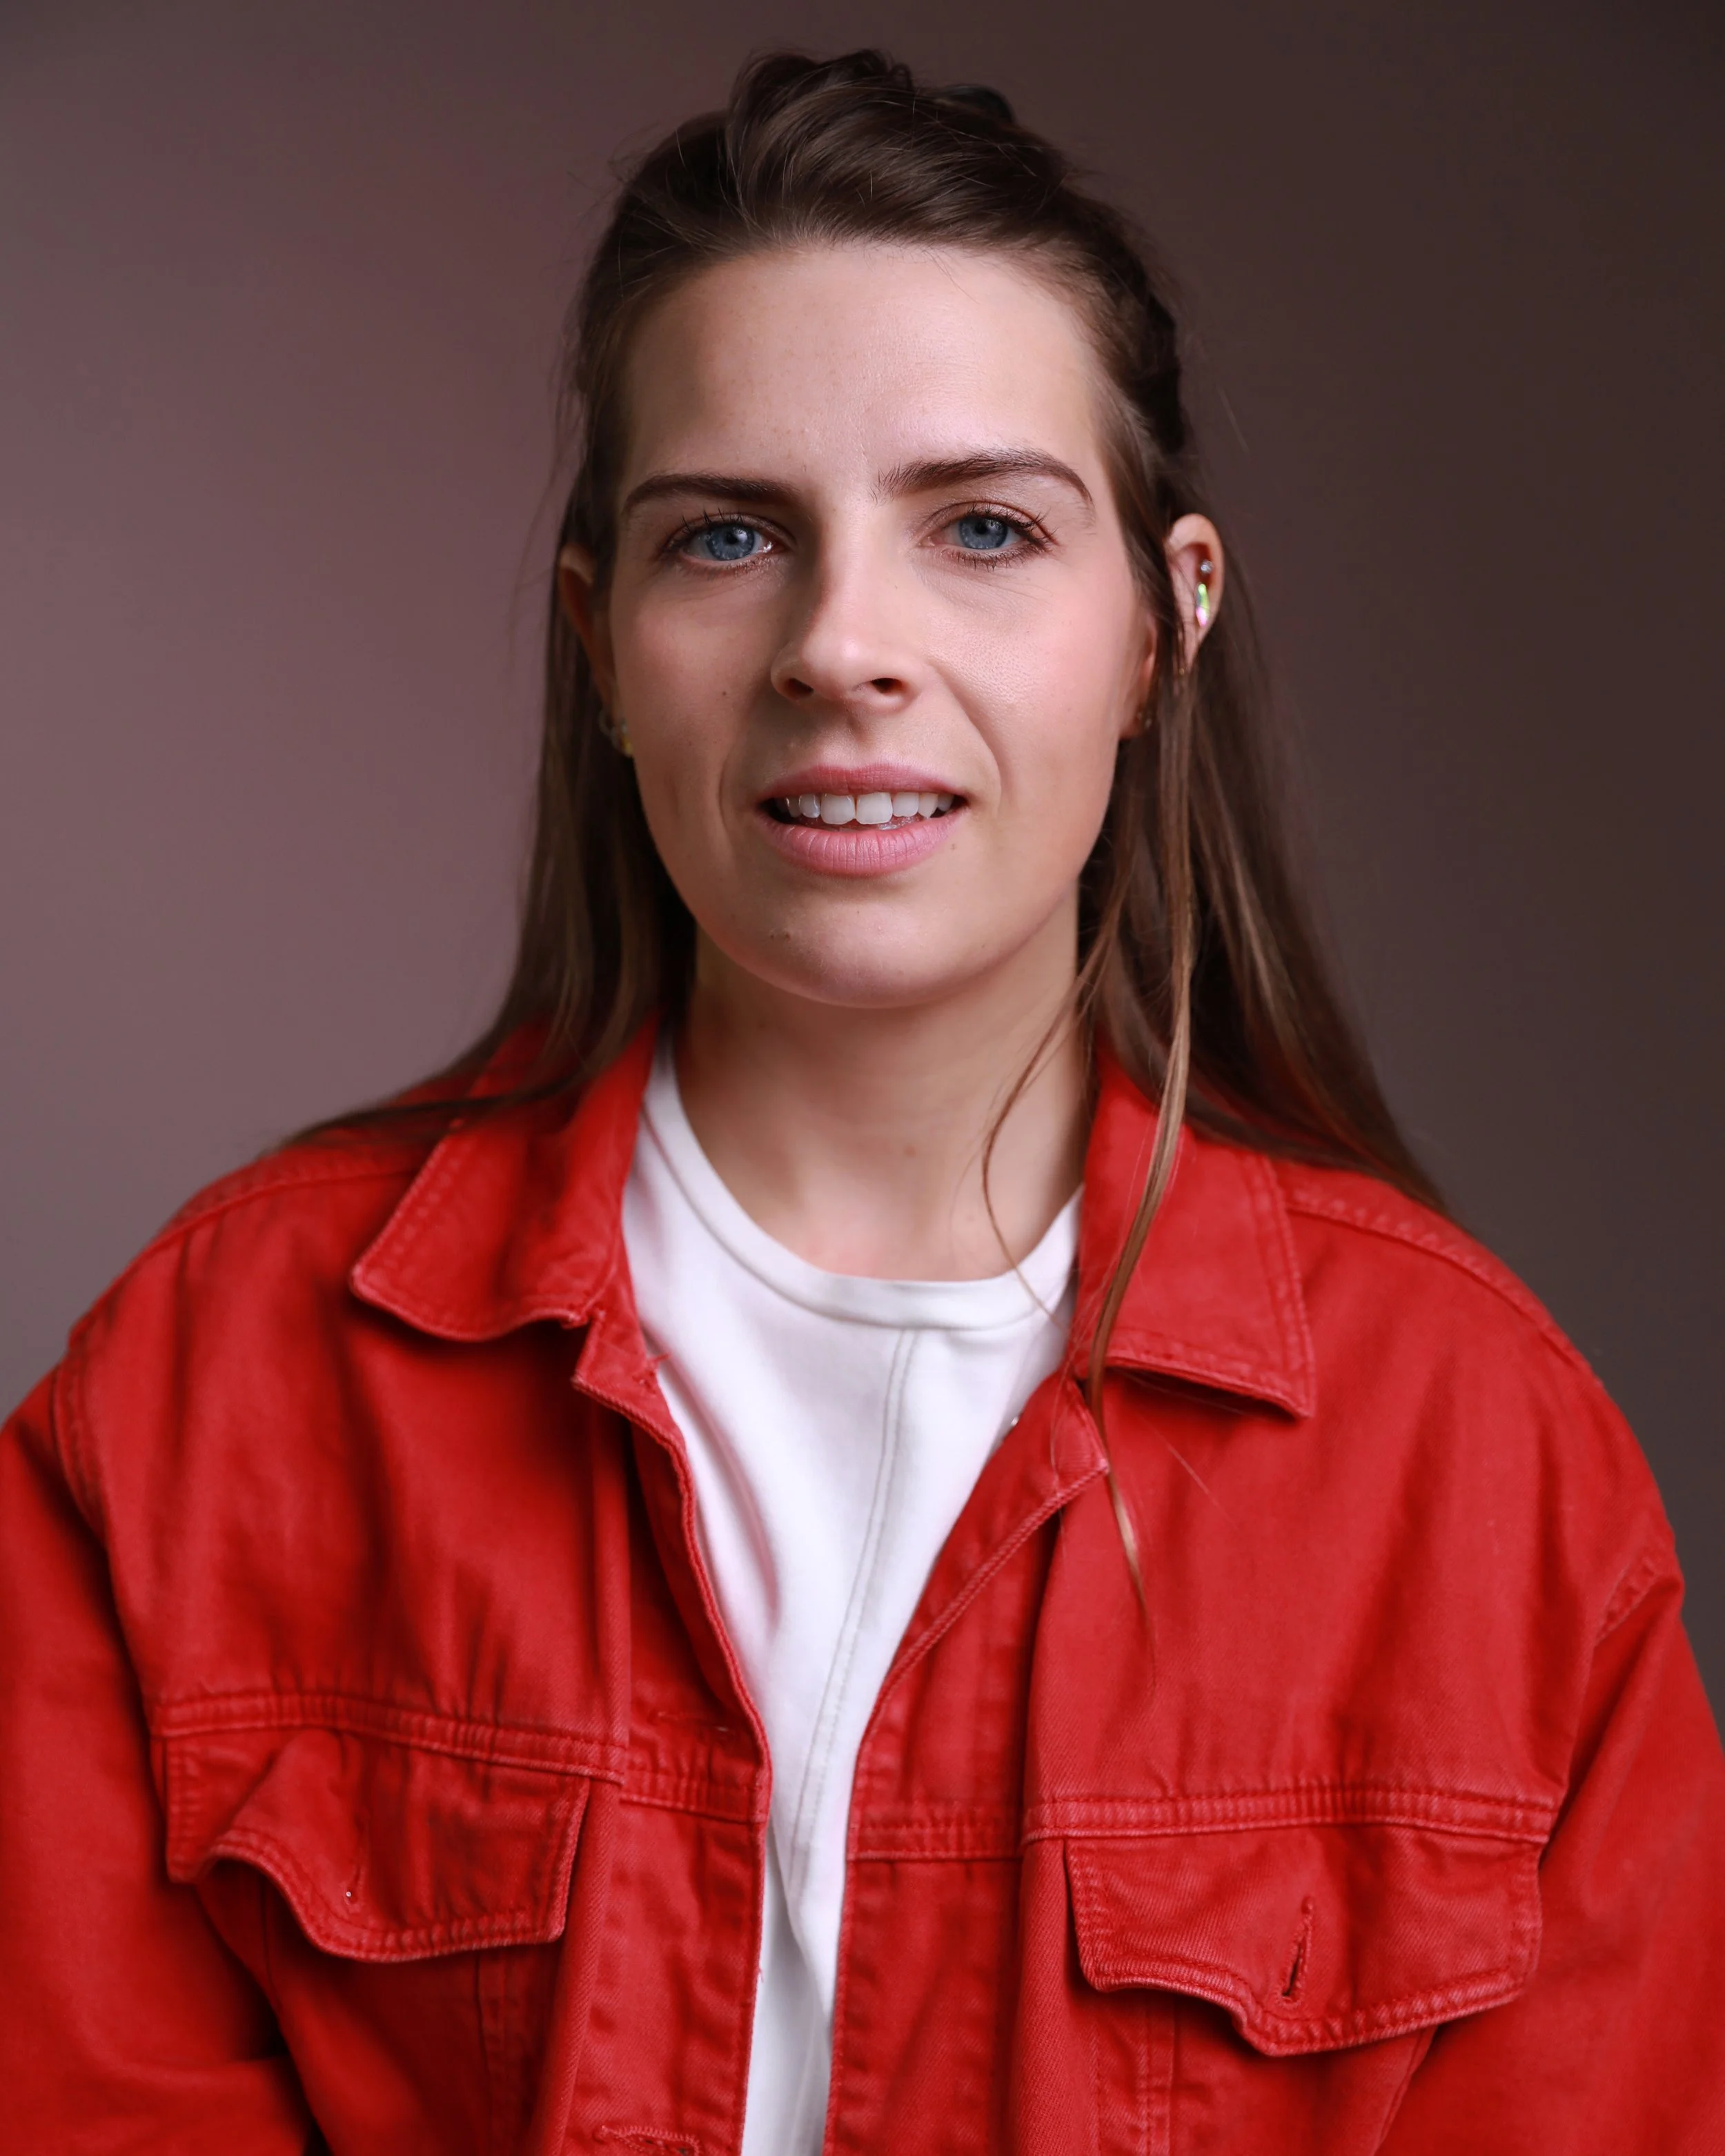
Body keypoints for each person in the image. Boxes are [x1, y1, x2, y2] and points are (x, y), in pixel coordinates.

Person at [1, 47, 1720, 2155]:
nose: (843, 647)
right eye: (728, 536)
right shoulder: (202, 1395)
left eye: (982, 528)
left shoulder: (1483, 1462)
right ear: (600, 642)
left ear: (1160, 621)